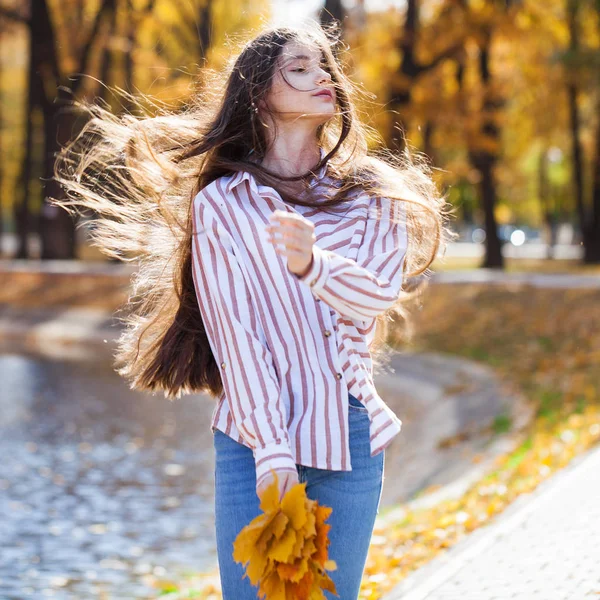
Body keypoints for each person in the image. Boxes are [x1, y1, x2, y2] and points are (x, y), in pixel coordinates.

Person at [52, 21, 452, 600]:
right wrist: (272, 453)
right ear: (260, 94)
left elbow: (377, 294)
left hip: (349, 434)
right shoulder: (223, 205)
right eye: (300, 68)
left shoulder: (372, 193)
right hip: (250, 440)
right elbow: (238, 338)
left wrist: (314, 265)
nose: (323, 79)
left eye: (325, 68)